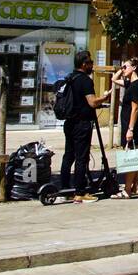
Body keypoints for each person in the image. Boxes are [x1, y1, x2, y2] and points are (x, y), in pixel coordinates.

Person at [59, 50, 112, 202]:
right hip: (82, 124)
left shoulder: (70, 78)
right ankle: (79, 192)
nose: (92, 65)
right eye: (90, 63)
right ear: (84, 64)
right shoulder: (85, 80)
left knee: (68, 156)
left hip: (69, 122)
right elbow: (92, 102)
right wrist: (104, 97)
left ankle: (65, 189)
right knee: (82, 158)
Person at [115, 57, 138, 196]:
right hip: (131, 125)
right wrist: (120, 69)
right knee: (136, 156)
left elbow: (135, 108)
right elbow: (113, 80)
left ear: (134, 68)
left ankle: (127, 190)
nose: (123, 69)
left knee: (131, 157)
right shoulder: (130, 84)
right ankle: (136, 187)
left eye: (126, 67)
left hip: (132, 126)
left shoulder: (136, 86)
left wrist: (130, 129)